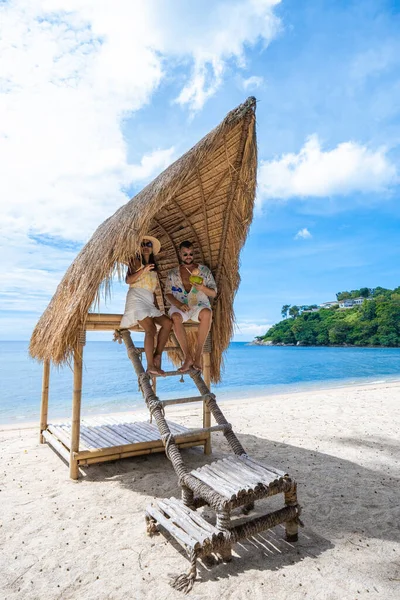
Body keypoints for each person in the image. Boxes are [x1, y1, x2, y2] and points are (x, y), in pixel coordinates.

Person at [120, 236, 172, 376]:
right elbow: (128, 280)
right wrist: (143, 270)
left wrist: (157, 308)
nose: (146, 246)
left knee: (167, 323)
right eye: (143, 244)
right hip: (136, 298)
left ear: (152, 248)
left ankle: (157, 355)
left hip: (149, 301)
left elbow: (153, 290)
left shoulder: (154, 268)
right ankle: (150, 366)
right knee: (151, 329)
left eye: (148, 244)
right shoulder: (135, 261)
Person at [165, 241, 217, 372]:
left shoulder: (203, 271)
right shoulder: (173, 273)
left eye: (190, 254)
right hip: (180, 305)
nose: (188, 256)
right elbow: (168, 294)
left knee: (207, 313)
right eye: (185, 254)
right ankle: (188, 357)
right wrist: (179, 304)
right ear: (180, 254)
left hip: (198, 304)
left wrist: (202, 287)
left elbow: (214, 293)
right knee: (175, 317)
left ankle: (198, 355)